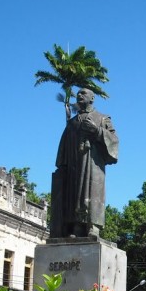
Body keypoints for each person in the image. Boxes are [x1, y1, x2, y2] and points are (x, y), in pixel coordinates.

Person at [50, 88, 119, 238]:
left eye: (84, 93)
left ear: (92, 98)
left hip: (94, 164)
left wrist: (97, 131)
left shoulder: (102, 118)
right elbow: (63, 145)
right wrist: (62, 165)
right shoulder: (72, 123)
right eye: (78, 93)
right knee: (74, 194)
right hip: (74, 165)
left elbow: (114, 140)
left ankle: (93, 226)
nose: (80, 95)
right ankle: (77, 226)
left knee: (92, 192)